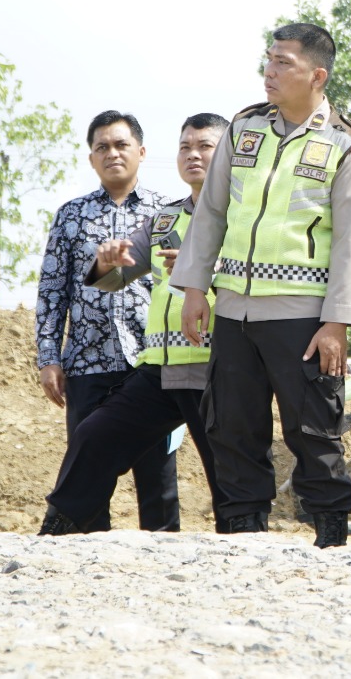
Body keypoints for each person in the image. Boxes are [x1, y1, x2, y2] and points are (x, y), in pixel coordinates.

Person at [171, 23, 351, 547]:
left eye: (284, 63)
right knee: (233, 430)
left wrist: (337, 323)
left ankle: (330, 535)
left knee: (312, 431)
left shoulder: (347, 146)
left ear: (317, 75)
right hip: (234, 311)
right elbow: (212, 211)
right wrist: (195, 288)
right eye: (269, 59)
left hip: (302, 318)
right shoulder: (244, 129)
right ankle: (244, 536)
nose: (270, 71)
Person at [38, 114, 230, 535]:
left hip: (215, 366)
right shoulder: (165, 220)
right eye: (185, 147)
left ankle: (245, 541)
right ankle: (61, 528)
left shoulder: (242, 217)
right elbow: (111, 280)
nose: (193, 155)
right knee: (94, 437)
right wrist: (105, 266)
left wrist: (209, 270)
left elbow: (259, 277)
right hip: (157, 367)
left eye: (205, 147)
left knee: (226, 472)